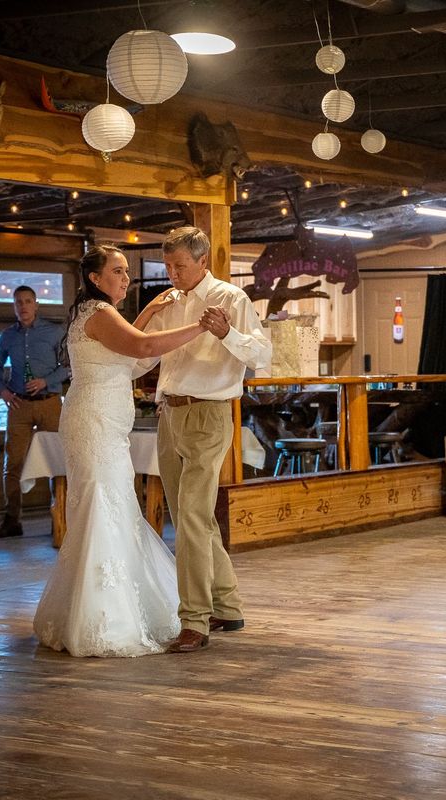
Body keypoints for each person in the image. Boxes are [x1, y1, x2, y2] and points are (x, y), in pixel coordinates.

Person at [33, 244, 209, 657]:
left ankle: (107, 608)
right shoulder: (98, 313)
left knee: (114, 505)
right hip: (94, 424)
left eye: (127, 270)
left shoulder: (99, 313)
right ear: (95, 278)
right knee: (102, 506)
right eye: (117, 271)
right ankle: (100, 619)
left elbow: (130, 363)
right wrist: (202, 327)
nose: (126, 278)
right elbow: (143, 349)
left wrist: (145, 314)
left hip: (106, 426)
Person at [142, 226, 271, 653]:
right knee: (189, 517)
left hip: (208, 414)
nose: (172, 273)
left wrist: (226, 334)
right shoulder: (168, 301)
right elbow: (145, 355)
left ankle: (194, 620)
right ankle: (228, 606)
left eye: (179, 265)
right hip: (169, 414)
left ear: (202, 261)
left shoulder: (231, 299)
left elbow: (263, 355)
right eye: (167, 266)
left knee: (194, 518)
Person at [0, 286, 68, 538]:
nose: (23, 306)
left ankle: (61, 519)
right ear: (14, 306)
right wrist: (2, 390)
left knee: (57, 460)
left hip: (50, 403)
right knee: (13, 463)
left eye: (28, 301)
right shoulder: (7, 336)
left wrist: (45, 381)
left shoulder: (54, 332)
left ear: (36, 305)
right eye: (18, 302)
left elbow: (68, 366)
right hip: (19, 405)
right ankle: (12, 520)